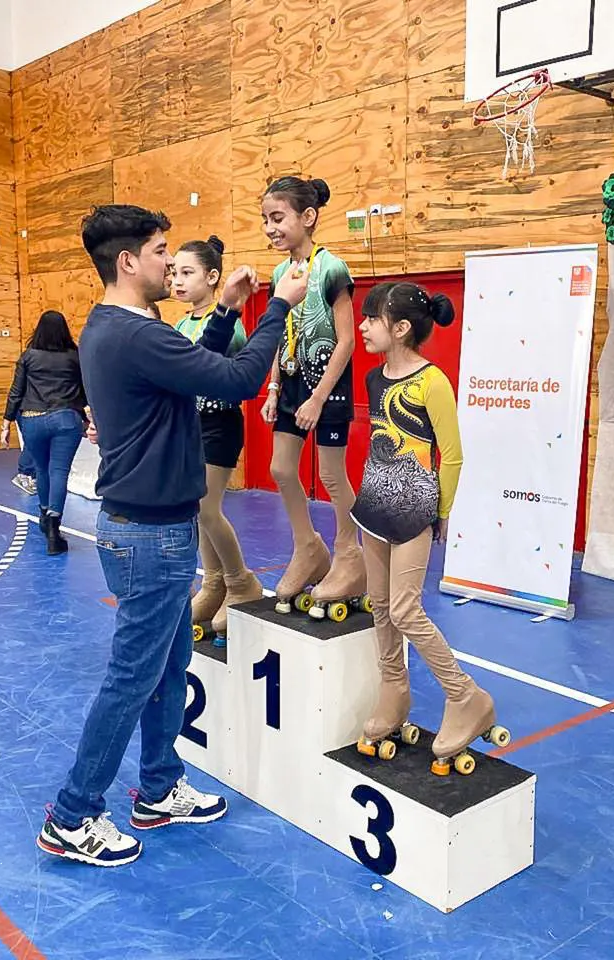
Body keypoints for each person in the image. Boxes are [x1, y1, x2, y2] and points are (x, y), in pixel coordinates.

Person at [36, 204, 310, 867]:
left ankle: (158, 788)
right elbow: (239, 380)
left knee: (166, 665)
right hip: (148, 536)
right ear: (129, 261)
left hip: (152, 528)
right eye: (161, 251)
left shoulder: (122, 326)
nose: (171, 262)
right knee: (133, 676)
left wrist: (224, 314)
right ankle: (74, 814)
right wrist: (277, 306)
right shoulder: (134, 335)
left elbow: (189, 367)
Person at [350, 282, 508, 775]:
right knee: (379, 607)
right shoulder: (376, 379)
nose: (362, 328)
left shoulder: (432, 382)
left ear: (399, 329)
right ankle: (394, 691)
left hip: (415, 508)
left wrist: (442, 511)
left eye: (370, 320)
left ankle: (466, 696)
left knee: (404, 607)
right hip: (373, 504)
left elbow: (452, 453)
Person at [258, 176, 362, 614]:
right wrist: (274, 385)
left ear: (307, 217)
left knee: (332, 476)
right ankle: (308, 547)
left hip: (328, 385)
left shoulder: (333, 268)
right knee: (281, 468)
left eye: (277, 218)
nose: (269, 228)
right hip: (291, 382)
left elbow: (347, 341)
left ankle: (350, 555)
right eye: (265, 220)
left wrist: (319, 397)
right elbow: (282, 332)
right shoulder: (281, 273)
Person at [171, 234, 265, 638]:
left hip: (220, 424)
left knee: (208, 510)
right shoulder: (179, 323)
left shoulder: (228, 324)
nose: (177, 280)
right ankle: (214, 582)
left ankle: (241, 581)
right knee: (197, 511)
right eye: (173, 272)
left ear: (212, 278)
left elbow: (228, 368)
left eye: (187, 272)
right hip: (192, 427)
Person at [1, 310, 87, 554]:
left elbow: (16, 391)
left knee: (41, 469)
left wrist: (6, 422)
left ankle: (43, 512)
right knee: (59, 471)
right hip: (66, 418)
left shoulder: (28, 356)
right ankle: (54, 527)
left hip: (33, 419)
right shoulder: (75, 356)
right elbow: (85, 390)